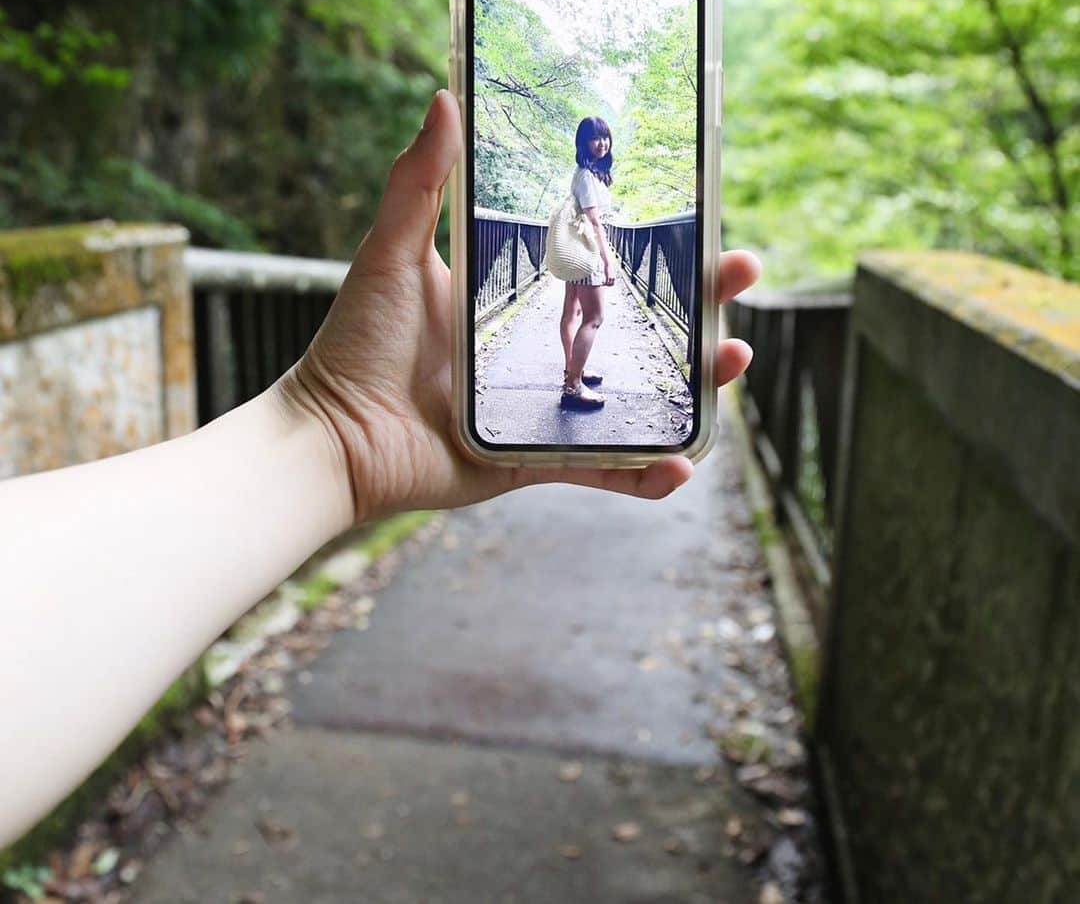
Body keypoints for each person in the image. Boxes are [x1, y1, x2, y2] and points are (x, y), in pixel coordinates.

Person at [0, 90, 759, 850]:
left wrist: (333, 434)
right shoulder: (594, 191)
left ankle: (568, 378)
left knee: (572, 316)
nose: (600, 149)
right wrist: (334, 429)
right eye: (597, 140)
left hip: (518, 299)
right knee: (587, 316)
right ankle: (571, 381)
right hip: (581, 265)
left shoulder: (575, 180)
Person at [559, 116, 617, 412]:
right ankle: (572, 386)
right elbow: (595, 223)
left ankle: (574, 371)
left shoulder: (587, 173)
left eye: (605, 137)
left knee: (573, 310)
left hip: (578, 249)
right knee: (593, 317)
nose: (602, 143)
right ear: (584, 142)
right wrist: (609, 263)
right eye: (595, 138)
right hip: (588, 252)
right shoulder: (585, 175)